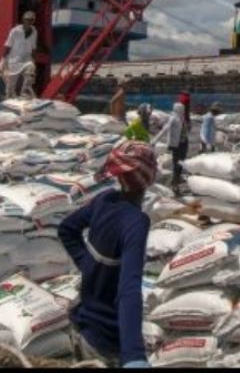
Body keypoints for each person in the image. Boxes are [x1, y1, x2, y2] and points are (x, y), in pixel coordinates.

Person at [59, 141, 155, 368]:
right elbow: (129, 289)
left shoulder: (105, 200)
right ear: (149, 177)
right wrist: (134, 356)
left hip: (84, 328)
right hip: (107, 341)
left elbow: (67, 229)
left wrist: (89, 267)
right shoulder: (135, 222)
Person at [153, 94, 190, 196]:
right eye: (181, 108)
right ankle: (175, 184)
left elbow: (184, 130)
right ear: (178, 109)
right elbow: (165, 129)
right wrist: (154, 140)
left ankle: (176, 180)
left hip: (184, 143)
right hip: (176, 144)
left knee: (181, 163)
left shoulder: (182, 118)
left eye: (183, 108)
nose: (183, 109)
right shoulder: (173, 118)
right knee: (177, 164)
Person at [1, 10, 38, 98]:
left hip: (26, 59)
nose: (29, 22)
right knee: (10, 87)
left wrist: (34, 60)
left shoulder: (34, 32)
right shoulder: (15, 31)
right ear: (23, 20)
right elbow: (7, 46)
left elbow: (33, 48)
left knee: (31, 67)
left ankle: (24, 91)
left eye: (32, 20)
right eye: (28, 20)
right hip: (13, 61)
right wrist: (3, 60)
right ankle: (8, 99)